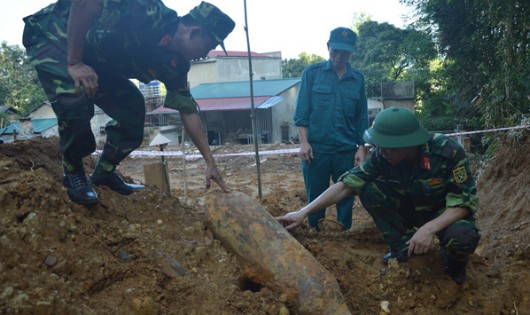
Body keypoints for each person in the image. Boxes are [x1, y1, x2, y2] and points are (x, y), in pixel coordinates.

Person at [22, 0, 234, 205]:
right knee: (76, 100)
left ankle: (104, 174)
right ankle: (73, 172)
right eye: (209, 45)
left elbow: (188, 111)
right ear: (194, 32)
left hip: (93, 58)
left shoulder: (175, 64)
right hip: (55, 37)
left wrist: (209, 161)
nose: (207, 53)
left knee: (131, 107)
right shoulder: (147, 11)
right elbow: (84, 3)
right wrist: (75, 62)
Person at [277, 107, 481, 284]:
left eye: (386, 146)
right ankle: (402, 248)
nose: (380, 151)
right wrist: (302, 212)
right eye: (378, 145)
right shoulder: (383, 156)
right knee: (368, 188)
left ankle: (453, 266)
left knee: (463, 238)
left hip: (443, 213)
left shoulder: (447, 152)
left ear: (407, 144)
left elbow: (464, 202)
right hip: (409, 207)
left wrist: (429, 229)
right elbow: (346, 185)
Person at [293, 27, 368, 231]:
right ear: (328, 47)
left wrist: (361, 147)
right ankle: (316, 233)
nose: (339, 56)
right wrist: (304, 142)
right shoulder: (312, 73)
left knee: (346, 193)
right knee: (316, 194)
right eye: (335, 51)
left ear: (352, 52)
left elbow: (361, 116)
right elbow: (302, 112)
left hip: (346, 149)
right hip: (316, 149)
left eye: (344, 52)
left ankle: (344, 232)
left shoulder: (358, 79)